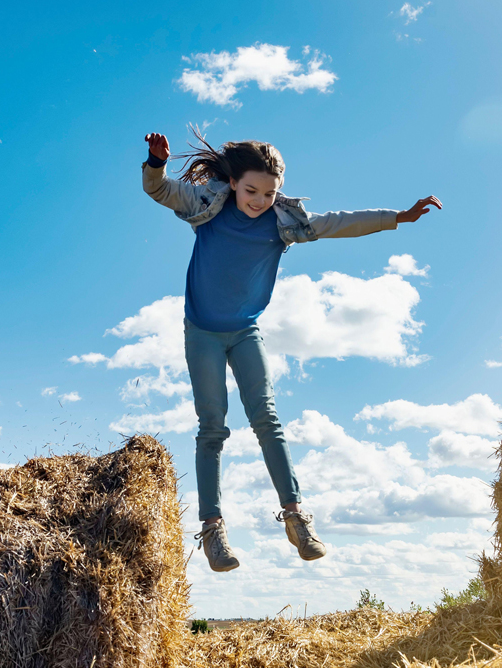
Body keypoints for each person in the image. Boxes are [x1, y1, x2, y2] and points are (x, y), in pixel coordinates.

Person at [142, 129, 441, 572]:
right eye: (251, 191)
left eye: (269, 193)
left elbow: (340, 222)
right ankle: (213, 529)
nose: (259, 200)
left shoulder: (284, 223)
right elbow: (160, 190)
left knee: (267, 419)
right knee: (213, 428)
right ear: (231, 182)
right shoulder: (207, 204)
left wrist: (397, 217)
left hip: (246, 331)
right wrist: (155, 162)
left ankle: (297, 518)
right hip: (202, 334)